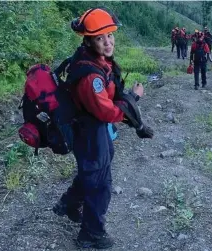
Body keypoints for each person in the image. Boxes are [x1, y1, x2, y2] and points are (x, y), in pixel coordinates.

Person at [52, 8, 152, 249]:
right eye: (100, 38)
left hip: (93, 131)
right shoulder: (90, 76)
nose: (108, 42)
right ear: (88, 40)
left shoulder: (96, 61)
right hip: (89, 132)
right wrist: (133, 99)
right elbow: (106, 111)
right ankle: (90, 234)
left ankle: (68, 204)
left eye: (110, 35)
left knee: (93, 172)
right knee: (100, 183)